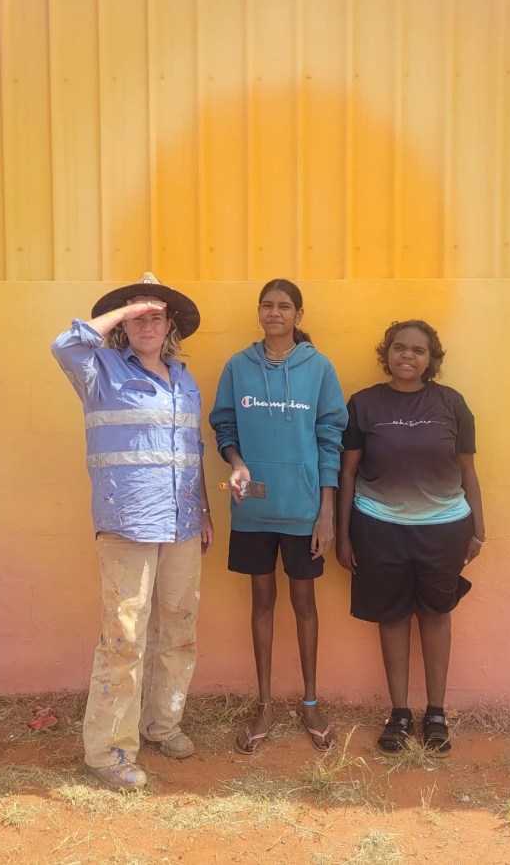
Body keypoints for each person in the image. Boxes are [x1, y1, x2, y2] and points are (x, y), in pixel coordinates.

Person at [50, 273, 213, 791]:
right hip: (128, 525)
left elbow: (192, 452)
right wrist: (125, 307)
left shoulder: (185, 380)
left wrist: (204, 510)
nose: (147, 323)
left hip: (183, 523)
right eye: (138, 316)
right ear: (123, 324)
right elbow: (64, 343)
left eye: (156, 316)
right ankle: (107, 753)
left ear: (171, 328)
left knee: (179, 632)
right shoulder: (99, 371)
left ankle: (162, 725)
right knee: (124, 639)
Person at [209, 279, 347, 753]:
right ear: (259, 313)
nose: (274, 313)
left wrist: (325, 510)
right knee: (262, 600)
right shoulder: (238, 367)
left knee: (304, 603)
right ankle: (265, 703)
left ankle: (310, 701)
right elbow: (223, 424)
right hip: (253, 507)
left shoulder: (318, 368)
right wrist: (237, 462)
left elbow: (331, 436)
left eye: (284, 306)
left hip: (303, 509)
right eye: (267, 305)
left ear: (298, 315)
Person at [335, 320, 485, 758]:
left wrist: (479, 528)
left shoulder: (451, 403)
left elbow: (468, 470)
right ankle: (399, 713)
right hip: (378, 528)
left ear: (430, 358)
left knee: (437, 615)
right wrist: (344, 535)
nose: (408, 356)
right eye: (399, 348)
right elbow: (347, 472)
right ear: (387, 353)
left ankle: (435, 713)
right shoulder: (363, 404)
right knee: (393, 617)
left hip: (444, 529)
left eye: (418, 350)